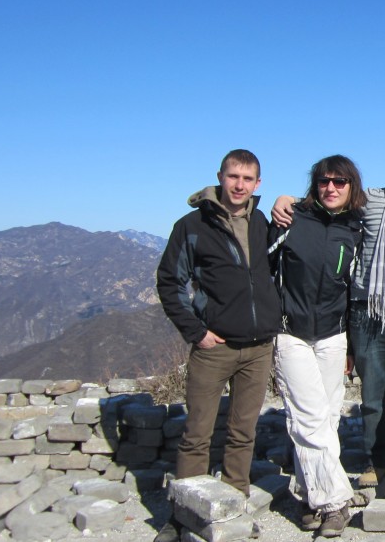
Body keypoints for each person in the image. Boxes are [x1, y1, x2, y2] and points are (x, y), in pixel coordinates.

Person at [273, 139, 385, 510]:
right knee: (372, 398)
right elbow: (326, 201)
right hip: (366, 312)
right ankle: (379, 464)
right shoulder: (371, 202)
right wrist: (283, 198)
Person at [155, 149, 280, 542]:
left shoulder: (261, 222)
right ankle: (185, 516)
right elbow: (169, 282)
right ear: (220, 177)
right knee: (198, 433)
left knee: (243, 432)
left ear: (258, 184)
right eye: (233, 177)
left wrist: (288, 200)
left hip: (259, 347)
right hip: (214, 347)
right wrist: (196, 332)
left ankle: (233, 508)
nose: (239, 185)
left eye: (247, 179)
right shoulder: (192, 226)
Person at [267, 155, 366, 538]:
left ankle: (308, 494)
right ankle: (336, 502)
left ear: (351, 186)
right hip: (291, 333)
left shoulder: (356, 228)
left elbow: (354, 290)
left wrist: (352, 347)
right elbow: (260, 267)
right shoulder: (292, 220)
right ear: (315, 183)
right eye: (325, 181)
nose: (331, 188)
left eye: (340, 182)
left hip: (333, 334)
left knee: (325, 418)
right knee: (307, 416)